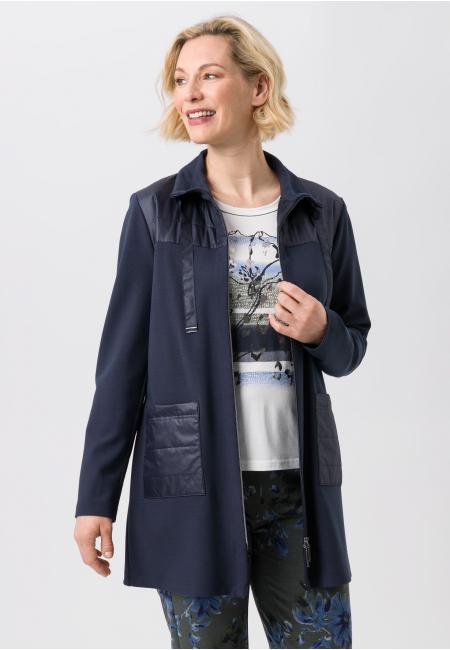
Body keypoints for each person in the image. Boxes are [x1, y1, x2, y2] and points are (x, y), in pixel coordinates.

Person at [74, 14, 371, 649]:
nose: (190, 93)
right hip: (194, 487)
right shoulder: (155, 213)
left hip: (298, 489)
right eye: (180, 80)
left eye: (209, 76)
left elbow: (351, 347)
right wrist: (95, 496)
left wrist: (322, 329)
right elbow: (121, 367)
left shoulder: (321, 212)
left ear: (258, 87)